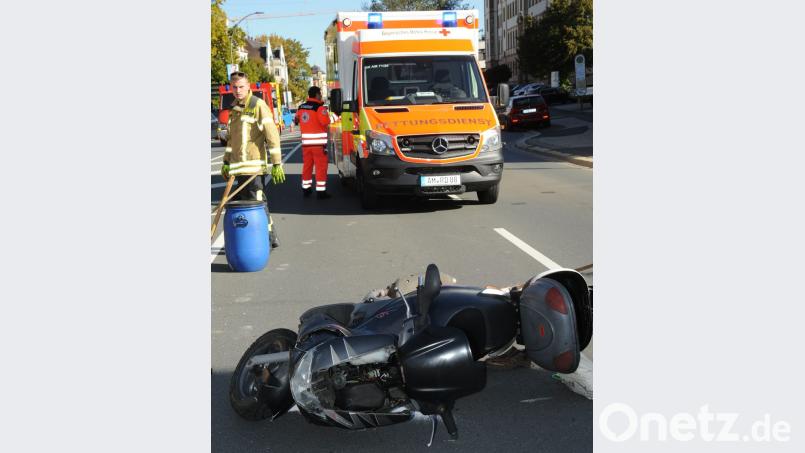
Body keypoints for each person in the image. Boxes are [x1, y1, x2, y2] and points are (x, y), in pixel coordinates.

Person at [220, 72, 286, 248]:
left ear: (248, 86)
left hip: (253, 169)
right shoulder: (234, 109)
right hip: (238, 169)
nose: (238, 90)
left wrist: (277, 162)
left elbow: (271, 134)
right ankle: (253, 239)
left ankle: (269, 239)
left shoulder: (258, 105)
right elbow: (231, 140)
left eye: (241, 86)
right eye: (234, 87)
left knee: (257, 203)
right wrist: (226, 161)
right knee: (245, 209)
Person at [294, 86, 332, 199]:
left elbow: (296, 120)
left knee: (307, 166)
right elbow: (325, 122)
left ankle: (306, 188)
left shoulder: (301, 107)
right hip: (318, 145)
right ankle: (321, 192)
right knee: (320, 167)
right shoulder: (320, 107)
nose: (320, 95)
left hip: (306, 144)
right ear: (316, 94)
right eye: (320, 93)